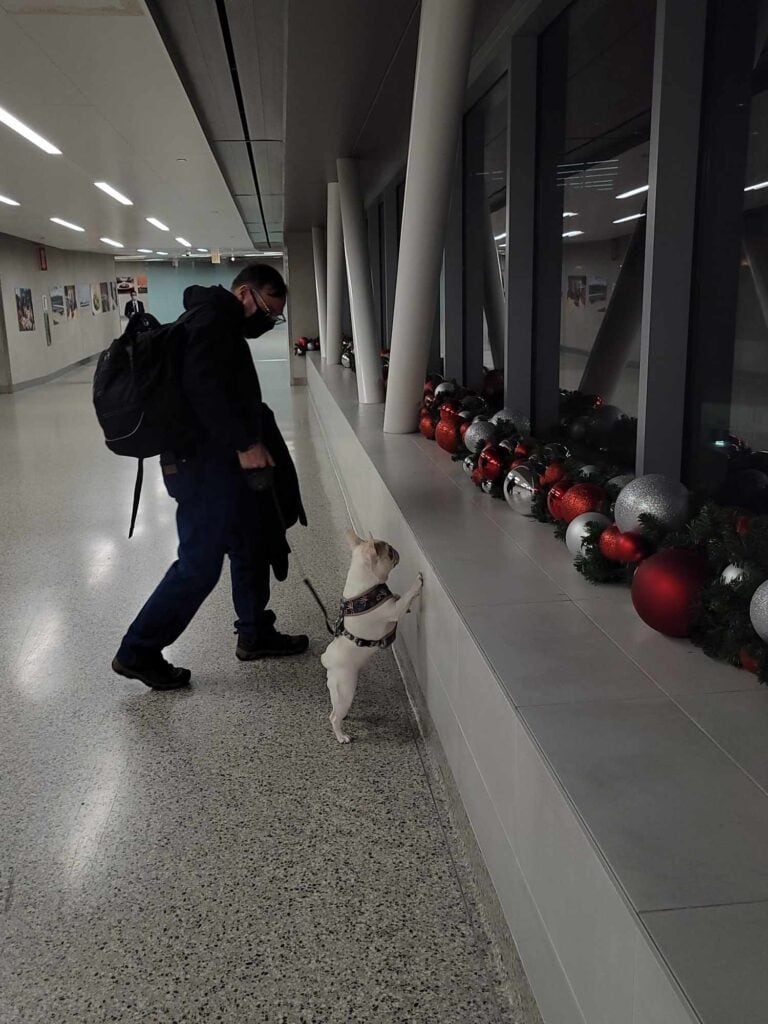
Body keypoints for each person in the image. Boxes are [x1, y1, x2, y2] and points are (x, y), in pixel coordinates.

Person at [112, 263, 307, 691]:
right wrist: (244, 442)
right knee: (200, 565)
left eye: (274, 317)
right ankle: (137, 650)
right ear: (243, 294)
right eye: (267, 311)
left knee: (250, 542)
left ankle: (255, 633)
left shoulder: (216, 319)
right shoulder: (212, 321)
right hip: (200, 466)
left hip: (218, 463)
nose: (267, 322)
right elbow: (204, 390)